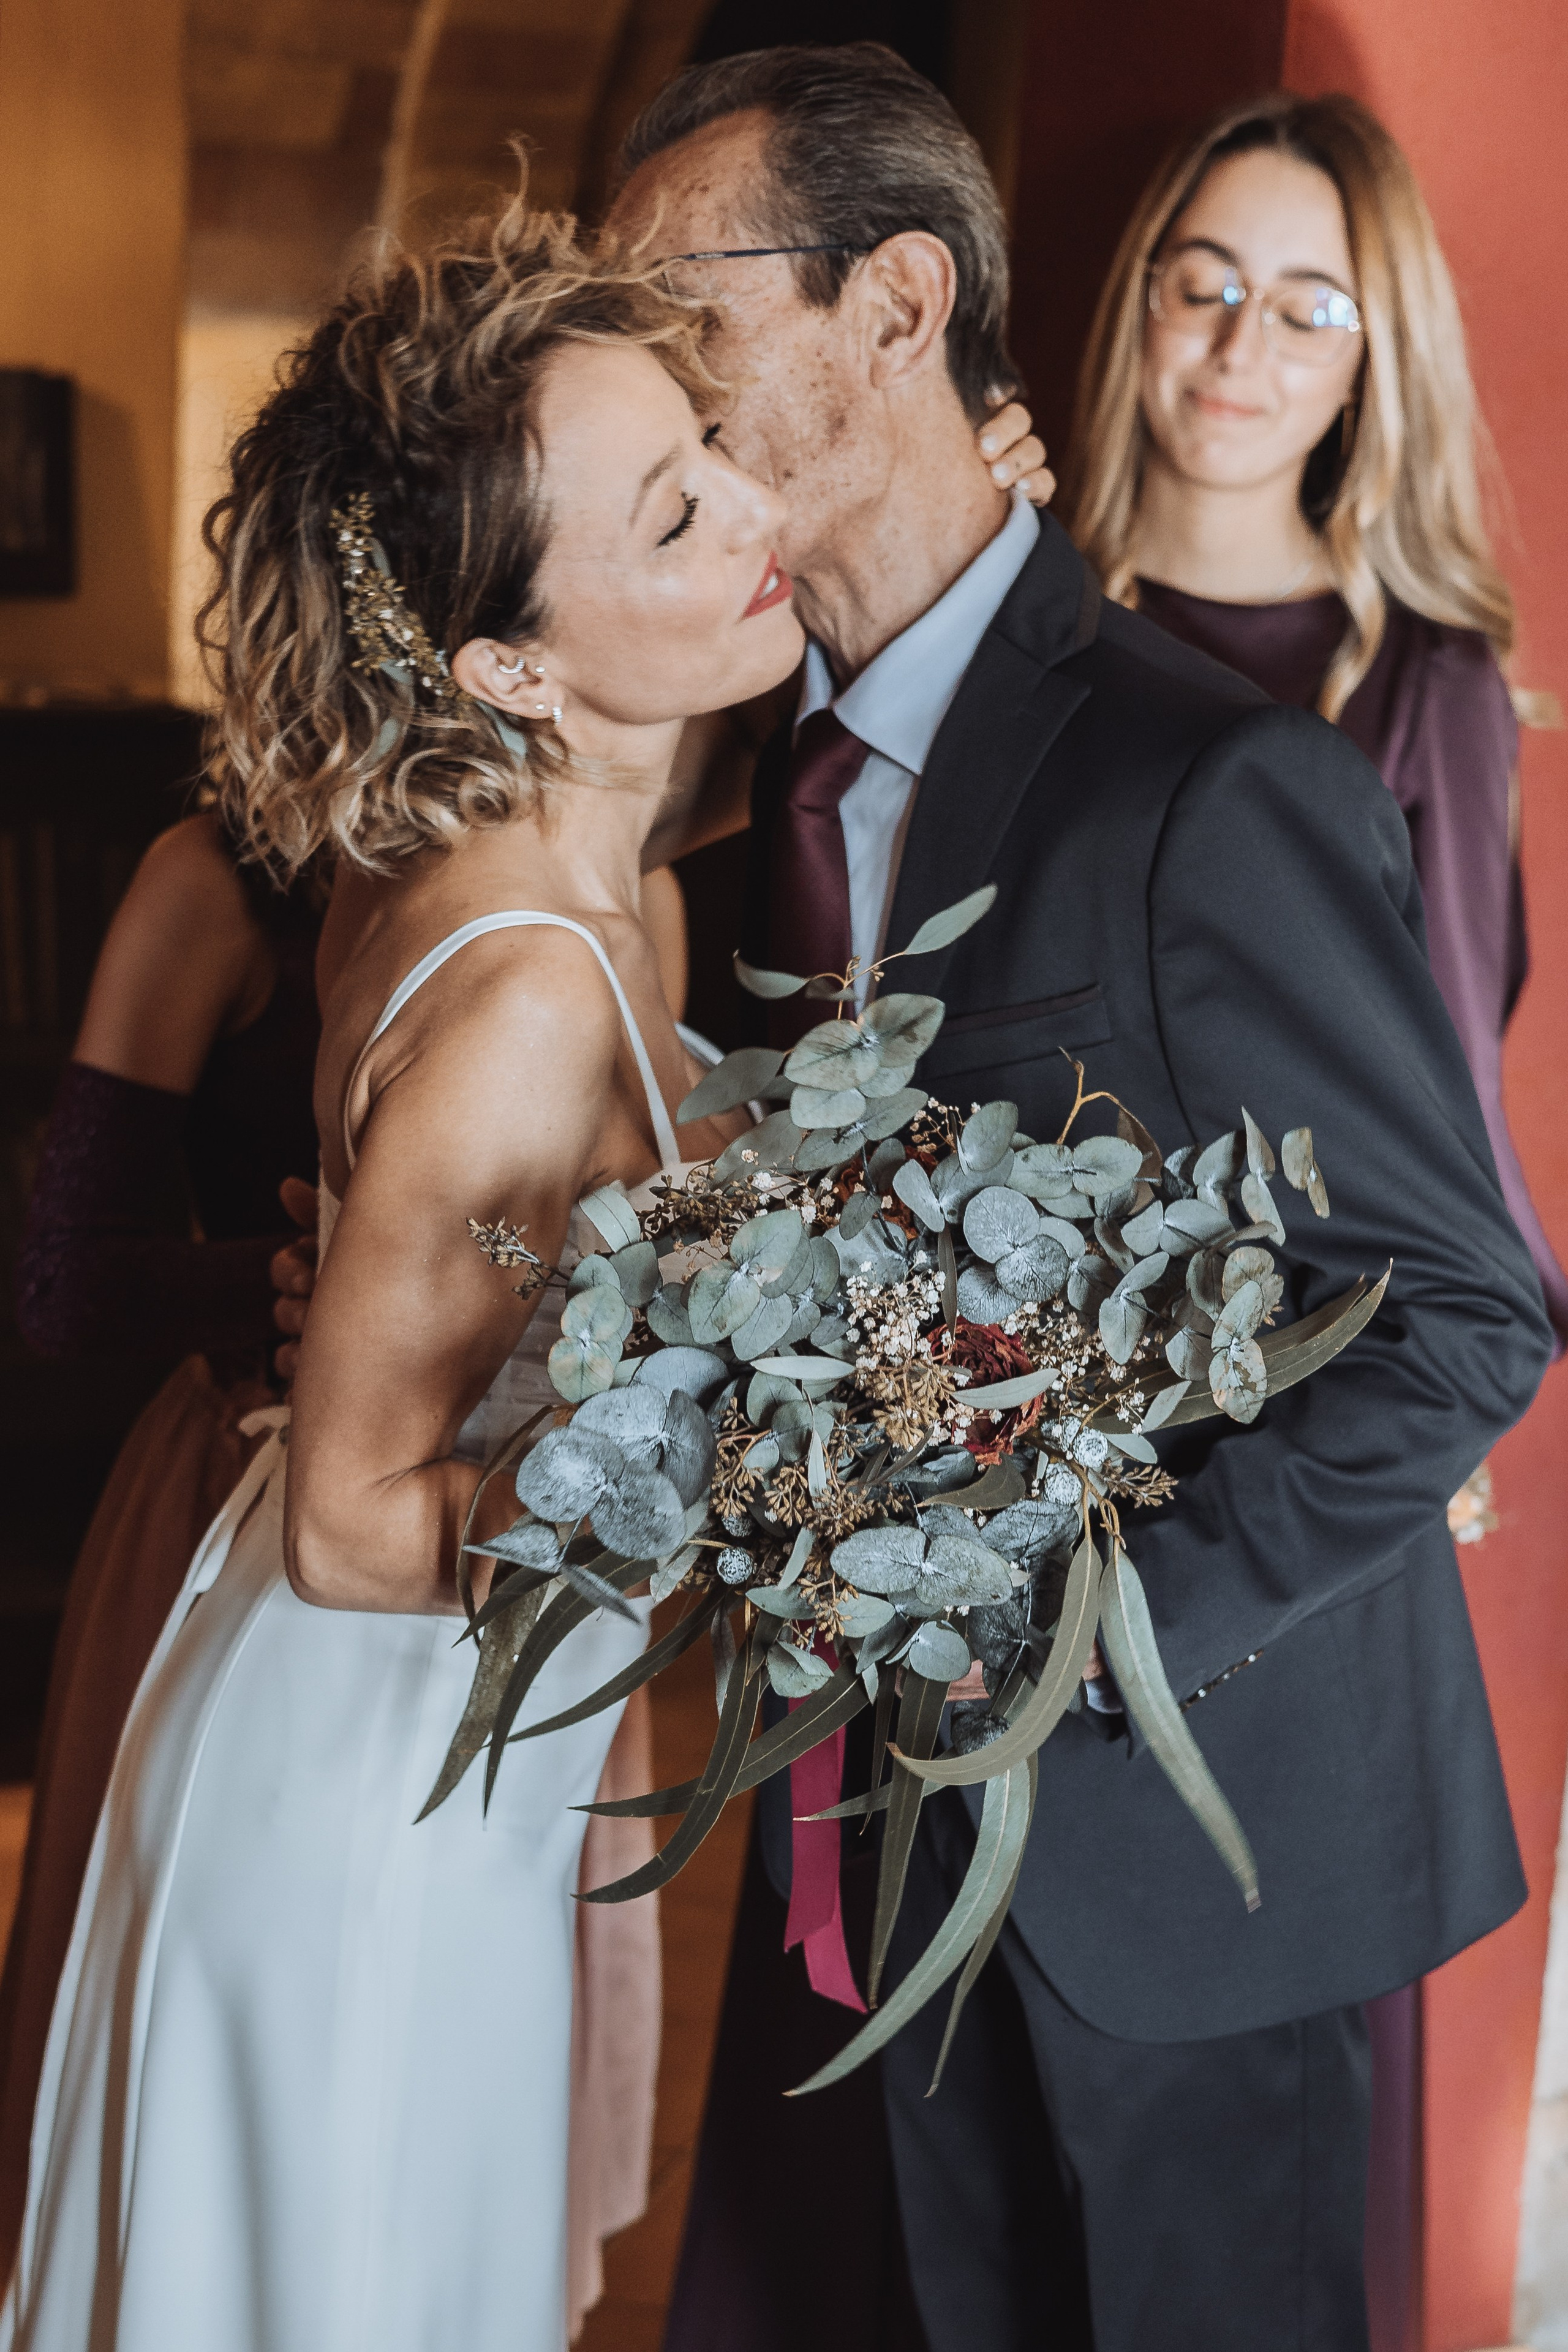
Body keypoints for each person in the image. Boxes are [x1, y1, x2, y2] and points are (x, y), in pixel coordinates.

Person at [606, 43, 1553, 2352]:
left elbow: (1461, 1313)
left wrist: (1063, 1653)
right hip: (885, 1851)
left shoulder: (1211, 779)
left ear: (896, 300)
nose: (637, 372)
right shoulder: (764, 808)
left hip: (1194, 1852)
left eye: (679, 306)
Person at [0, 190, 812, 2352]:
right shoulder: (536, 977)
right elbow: (366, 1530)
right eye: (673, 511)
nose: (753, 510)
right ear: (511, 666)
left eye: (715, 451)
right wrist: (734, 1504)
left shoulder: (535, 869)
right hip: (361, 1785)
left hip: (445, 1762)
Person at [1058, 91, 1568, 2351]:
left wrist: (1381, 1443)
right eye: (1206, 283)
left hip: (1266, 1508)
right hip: (971, 1451)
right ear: (1138, 304)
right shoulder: (1019, 633)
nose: (1244, 346)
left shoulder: (1422, 693)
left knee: (1238, 2211)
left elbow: (1441, 1151)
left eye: (1309, 306)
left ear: (1373, 363)